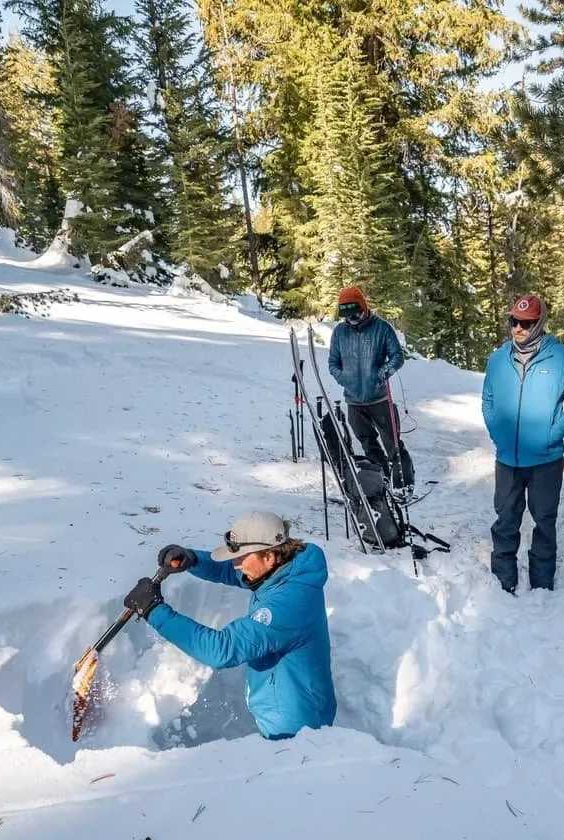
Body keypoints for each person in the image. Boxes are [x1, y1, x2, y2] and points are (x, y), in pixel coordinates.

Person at [122, 511, 336, 740]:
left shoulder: (287, 605)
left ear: (269, 557)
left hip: (295, 729)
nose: (236, 565)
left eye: (241, 558)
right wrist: (193, 560)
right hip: (289, 708)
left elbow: (220, 649)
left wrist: (154, 610)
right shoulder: (286, 570)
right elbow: (233, 572)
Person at [482, 293, 564, 593]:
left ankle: (542, 583)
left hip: (546, 461)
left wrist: (551, 435)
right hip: (507, 460)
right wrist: (497, 432)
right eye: (514, 321)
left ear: (540, 324)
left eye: (526, 323)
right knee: (505, 519)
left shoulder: (563, 357)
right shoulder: (497, 359)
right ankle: (503, 579)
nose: (518, 328)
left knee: (544, 521)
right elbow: (488, 399)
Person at [327, 286, 412, 493]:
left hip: (379, 398)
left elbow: (397, 356)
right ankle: (381, 481)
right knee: (367, 443)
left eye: (356, 314)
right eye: (348, 316)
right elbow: (333, 363)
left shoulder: (381, 328)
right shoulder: (339, 332)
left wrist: (383, 372)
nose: (352, 319)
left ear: (363, 308)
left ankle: (404, 483)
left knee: (392, 442)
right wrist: (343, 378)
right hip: (354, 400)